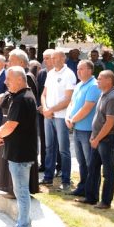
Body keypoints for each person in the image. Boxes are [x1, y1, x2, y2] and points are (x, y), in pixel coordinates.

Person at [0, 66, 38, 227]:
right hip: (21, 152)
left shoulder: (21, 99)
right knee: (21, 191)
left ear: (20, 79)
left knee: (21, 192)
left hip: (20, 154)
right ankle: (22, 223)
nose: (5, 82)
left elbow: (11, 125)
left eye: (8, 79)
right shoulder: (24, 95)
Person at [75, 70, 114, 209]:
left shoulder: (113, 98)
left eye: (100, 78)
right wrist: (93, 135)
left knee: (108, 172)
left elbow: (109, 123)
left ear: (109, 80)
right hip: (98, 137)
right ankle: (91, 197)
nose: (97, 81)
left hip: (107, 139)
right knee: (93, 168)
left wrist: (97, 139)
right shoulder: (103, 94)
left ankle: (106, 201)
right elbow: (99, 117)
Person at [0, 50, 39, 196]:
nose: (8, 63)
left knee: (21, 188)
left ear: (21, 62)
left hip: (21, 141)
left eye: (11, 61)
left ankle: (17, 196)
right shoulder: (17, 82)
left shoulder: (26, 82)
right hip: (14, 134)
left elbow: (11, 105)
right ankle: (12, 190)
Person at [65, 60, 101, 197]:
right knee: (81, 162)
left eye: (81, 69)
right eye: (77, 69)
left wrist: (72, 120)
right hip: (77, 128)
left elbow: (87, 108)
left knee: (90, 162)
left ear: (89, 71)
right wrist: (67, 117)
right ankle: (82, 188)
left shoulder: (94, 85)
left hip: (88, 130)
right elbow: (72, 103)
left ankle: (91, 192)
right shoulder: (79, 85)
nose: (78, 72)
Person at [40, 50, 76, 190]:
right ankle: (48, 177)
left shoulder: (69, 74)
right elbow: (43, 94)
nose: (52, 60)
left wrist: (51, 110)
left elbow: (68, 100)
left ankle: (66, 180)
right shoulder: (50, 74)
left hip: (61, 117)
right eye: (51, 58)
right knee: (49, 148)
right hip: (48, 116)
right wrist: (45, 109)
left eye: (55, 58)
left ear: (63, 59)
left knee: (63, 149)